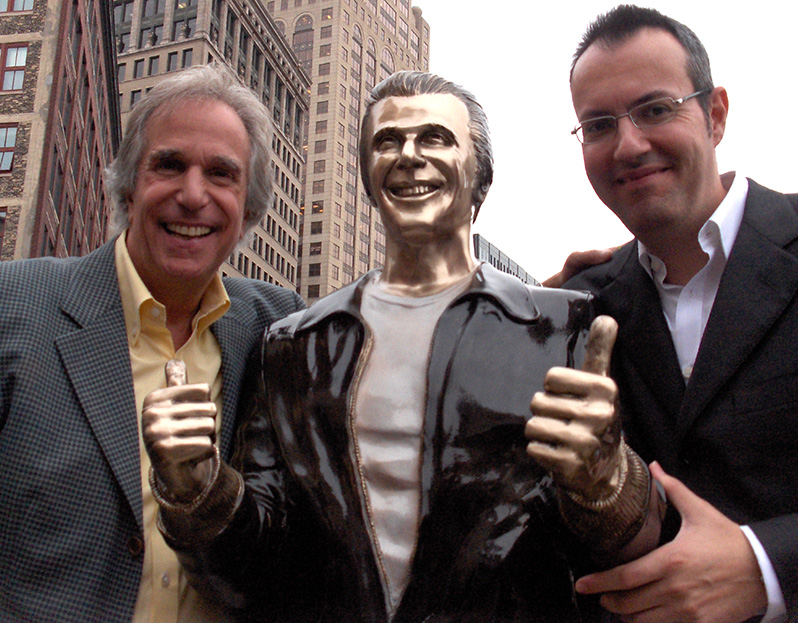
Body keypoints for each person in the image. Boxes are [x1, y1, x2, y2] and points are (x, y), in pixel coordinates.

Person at [141, 70, 666, 622]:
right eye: (387, 141)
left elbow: (627, 550)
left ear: (480, 175)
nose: (408, 155)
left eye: (435, 138)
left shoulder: (562, 327)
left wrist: (607, 481)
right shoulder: (293, 344)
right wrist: (197, 491)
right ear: (368, 175)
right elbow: (254, 574)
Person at [0, 63, 304, 623]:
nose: (193, 196)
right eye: (169, 165)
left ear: (249, 208)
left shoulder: (279, 330)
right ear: (129, 185)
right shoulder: (14, 307)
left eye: (221, 174)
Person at [556, 5, 798, 622]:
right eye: (598, 124)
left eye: (656, 109)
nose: (628, 145)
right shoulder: (580, 306)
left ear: (715, 114)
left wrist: (768, 568)